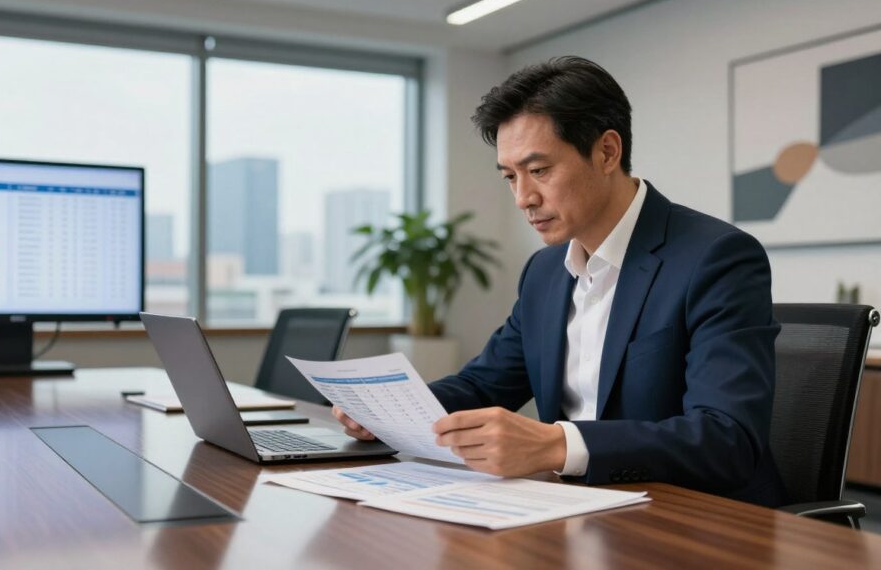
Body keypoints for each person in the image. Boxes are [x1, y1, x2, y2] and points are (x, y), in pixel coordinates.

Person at [333, 56, 786, 506]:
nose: (523, 198)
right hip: (571, 508)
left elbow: (727, 438)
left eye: (540, 170)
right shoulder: (545, 271)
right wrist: (389, 411)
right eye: (510, 176)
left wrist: (556, 445)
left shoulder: (715, 257)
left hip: (688, 516)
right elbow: (483, 385)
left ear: (607, 152)